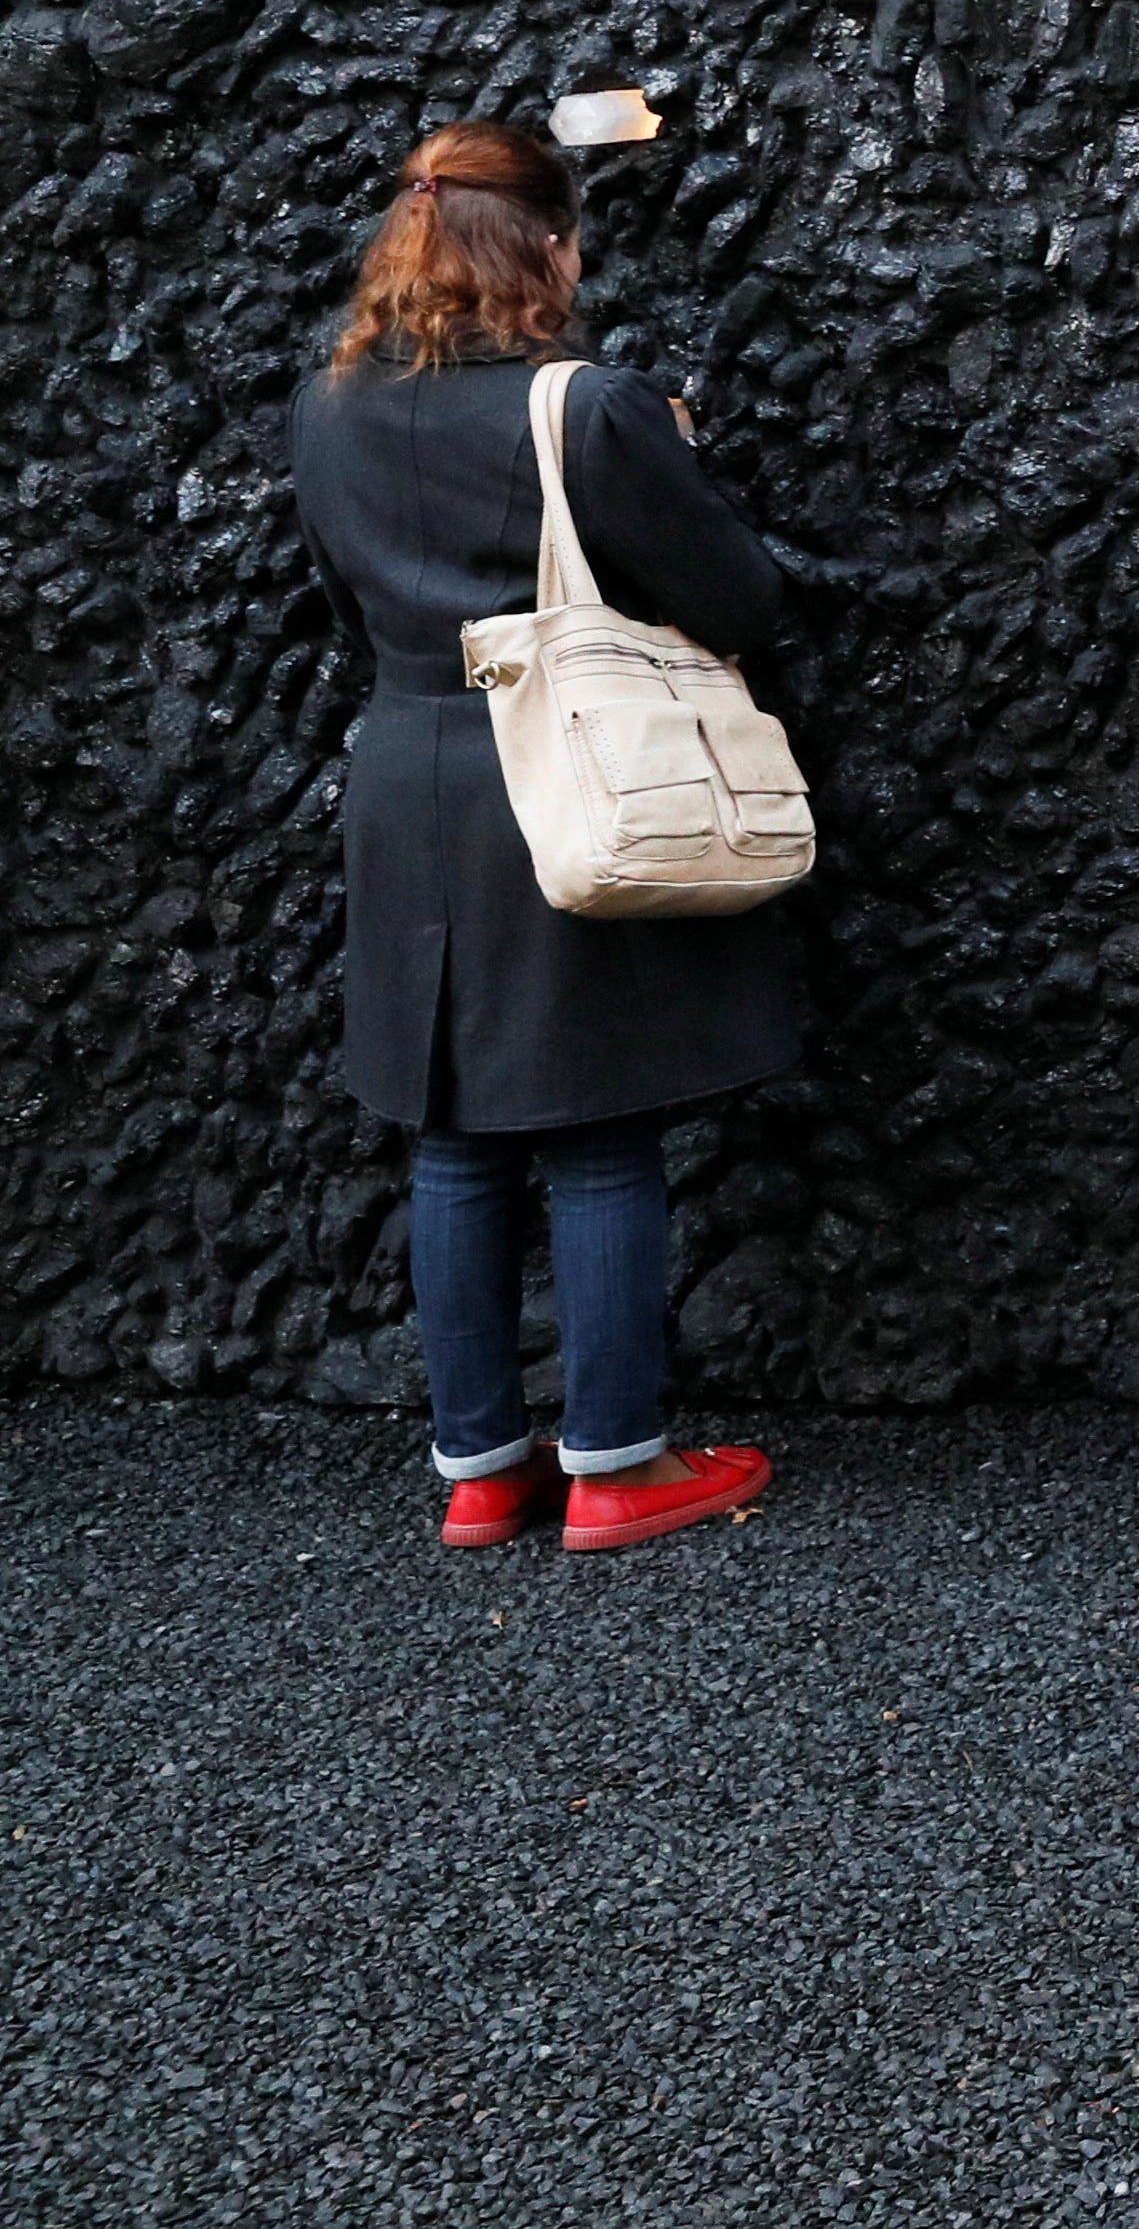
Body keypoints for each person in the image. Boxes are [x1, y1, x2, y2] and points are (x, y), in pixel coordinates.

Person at [290, 121, 784, 1555]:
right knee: (598, 1131)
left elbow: (344, 605)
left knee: (452, 1133)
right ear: (545, 245)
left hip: (408, 776)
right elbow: (741, 598)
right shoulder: (585, 406)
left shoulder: (327, 405)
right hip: (554, 778)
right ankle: (620, 1465)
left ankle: (483, 1469)